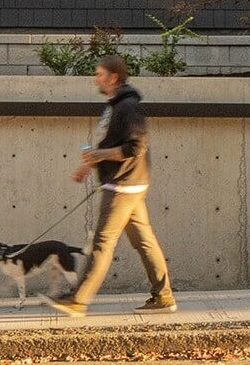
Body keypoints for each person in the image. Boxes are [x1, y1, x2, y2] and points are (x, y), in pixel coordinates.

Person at [44, 54, 175, 317]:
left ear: (114, 77)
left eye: (100, 74)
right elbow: (109, 144)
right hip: (130, 184)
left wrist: (100, 158)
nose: (96, 79)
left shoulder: (128, 107)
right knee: (144, 242)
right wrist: (89, 165)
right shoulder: (116, 105)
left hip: (122, 185)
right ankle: (163, 296)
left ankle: (78, 300)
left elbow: (135, 147)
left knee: (102, 243)